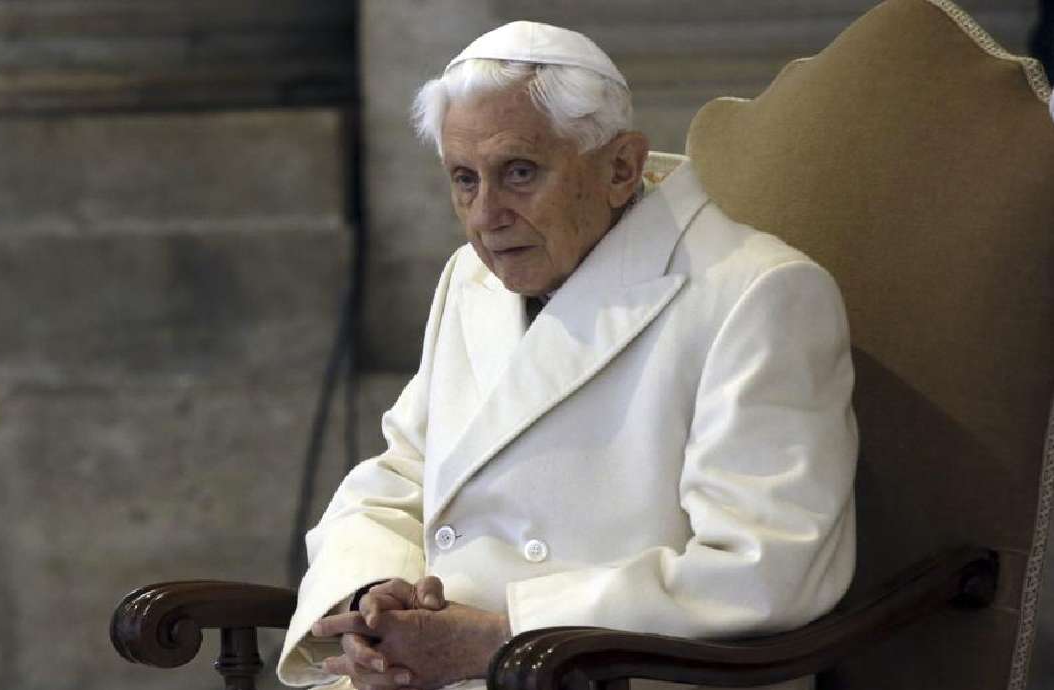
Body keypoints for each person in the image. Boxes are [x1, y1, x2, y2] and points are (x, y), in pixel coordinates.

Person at [278, 20, 857, 690]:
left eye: (518, 173)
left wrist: (501, 638)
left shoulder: (757, 293)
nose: (484, 215)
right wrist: (372, 596)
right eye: (464, 179)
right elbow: (400, 476)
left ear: (620, 168)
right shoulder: (470, 280)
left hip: (607, 674)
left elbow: (767, 567)